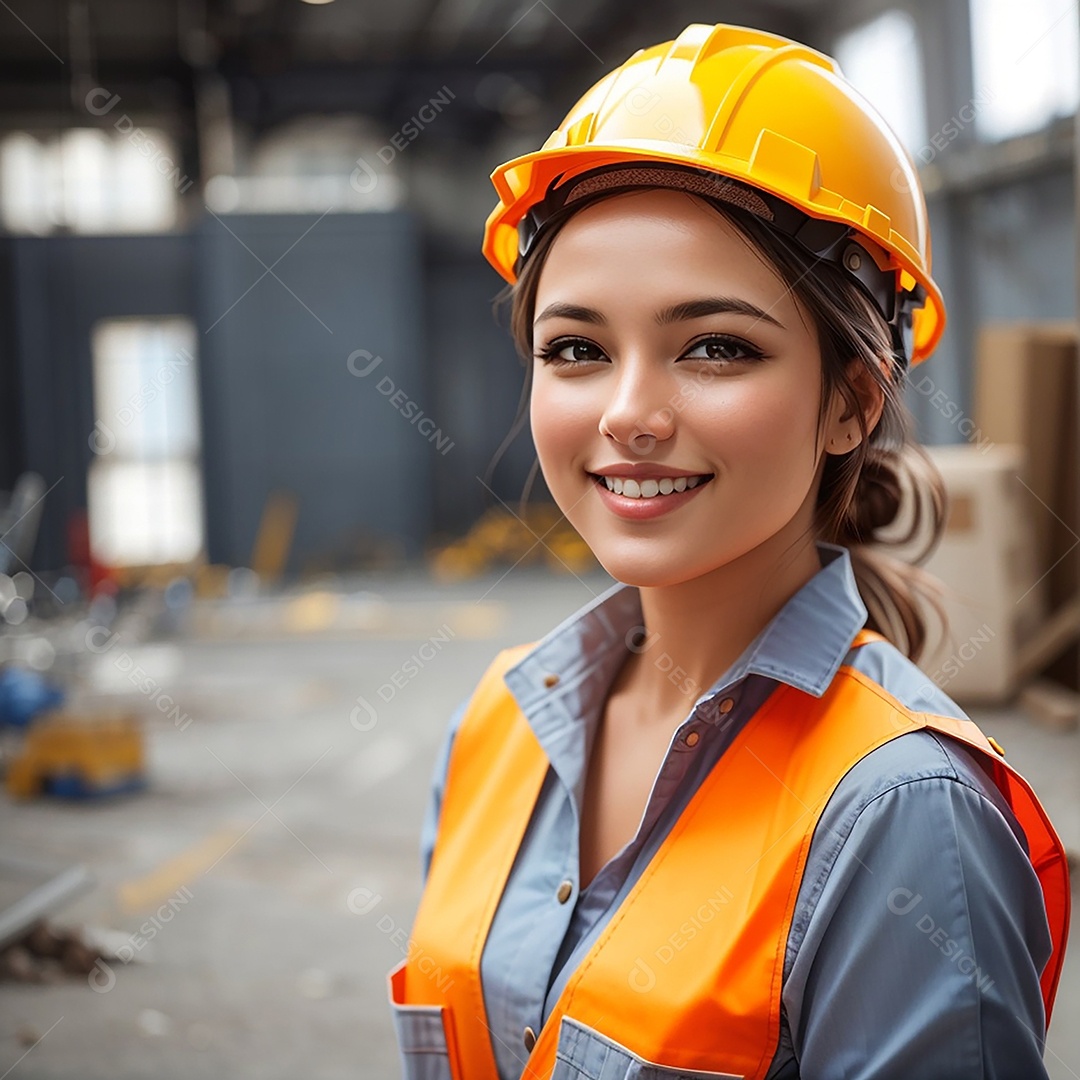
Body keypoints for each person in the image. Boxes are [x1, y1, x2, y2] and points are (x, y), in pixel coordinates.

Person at [386, 21, 1071, 1080]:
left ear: (849, 402)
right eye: (576, 349)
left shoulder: (900, 819)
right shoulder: (498, 725)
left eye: (714, 347)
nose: (628, 414)